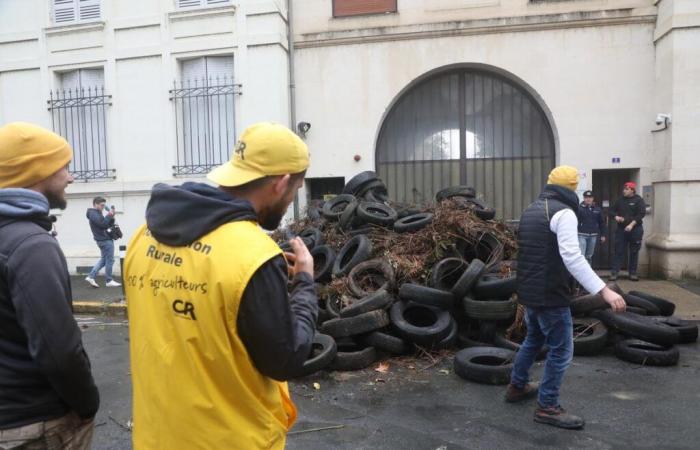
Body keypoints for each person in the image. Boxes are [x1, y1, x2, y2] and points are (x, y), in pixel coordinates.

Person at [125, 122, 318, 449]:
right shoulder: (254, 254)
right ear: (281, 182)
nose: (290, 201)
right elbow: (285, 358)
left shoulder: (143, 236)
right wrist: (304, 282)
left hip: (156, 437)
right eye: (295, 190)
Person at [0, 122, 100, 449]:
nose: (71, 177)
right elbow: (59, 352)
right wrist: (88, 403)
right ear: (38, 171)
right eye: (65, 167)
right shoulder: (30, 244)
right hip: (36, 424)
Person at [506, 165, 625, 430]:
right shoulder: (564, 213)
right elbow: (573, 257)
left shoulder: (531, 210)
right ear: (572, 188)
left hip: (530, 293)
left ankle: (517, 385)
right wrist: (603, 290)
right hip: (551, 295)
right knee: (561, 350)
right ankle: (548, 407)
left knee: (533, 339)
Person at [609, 181, 646, 281]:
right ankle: (614, 272)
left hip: (635, 229)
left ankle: (632, 273)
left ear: (632, 190)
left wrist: (631, 225)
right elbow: (611, 211)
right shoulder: (620, 200)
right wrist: (616, 216)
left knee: (634, 251)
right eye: (624, 189)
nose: (624, 191)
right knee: (618, 251)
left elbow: (641, 214)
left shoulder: (638, 200)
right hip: (622, 230)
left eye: (626, 189)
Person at [85, 196, 121, 287]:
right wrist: (109, 215)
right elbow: (103, 224)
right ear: (95, 204)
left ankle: (91, 276)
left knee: (104, 260)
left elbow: (106, 223)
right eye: (101, 205)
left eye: (104, 205)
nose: (103, 207)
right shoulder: (93, 213)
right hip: (104, 240)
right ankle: (109, 280)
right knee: (110, 260)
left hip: (103, 240)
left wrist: (111, 216)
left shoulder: (97, 213)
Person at [577, 190, 606, 265]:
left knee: (589, 256)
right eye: (586, 197)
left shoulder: (597, 209)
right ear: (584, 198)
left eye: (590, 197)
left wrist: (603, 235)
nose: (588, 199)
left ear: (593, 198)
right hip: (581, 235)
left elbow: (602, 222)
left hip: (593, 235)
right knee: (581, 256)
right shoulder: (579, 208)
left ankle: (587, 273)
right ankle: (580, 274)